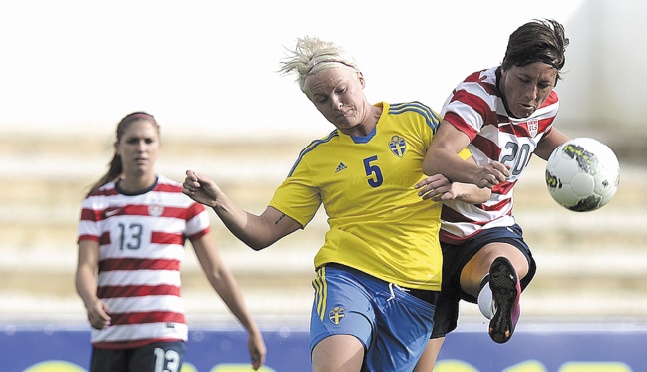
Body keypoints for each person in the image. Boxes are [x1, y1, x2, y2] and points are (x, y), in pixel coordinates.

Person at [181, 37, 489, 372]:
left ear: (360, 78)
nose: (336, 104)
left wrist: (457, 188)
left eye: (341, 90)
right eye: (322, 99)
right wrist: (220, 202)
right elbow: (263, 232)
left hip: (416, 284)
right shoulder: (317, 158)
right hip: (349, 277)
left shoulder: (416, 119)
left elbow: (482, 189)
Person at [414, 19, 571, 370]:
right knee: (418, 366)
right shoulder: (476, 96)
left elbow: (540, 135)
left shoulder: (546, 105)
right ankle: (493, 291)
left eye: (544, 84)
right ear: (505, 66)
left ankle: (498, 295)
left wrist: (580, 158)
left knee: (508, 260)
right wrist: (476, 173)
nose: (532, 96)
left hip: (491, 227)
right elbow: (436, 157)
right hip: (434, 236)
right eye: (524, 81)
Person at [75, 112, 266, 372]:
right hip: (110, 335)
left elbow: (216, 271)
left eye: (148, 141)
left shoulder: (183, 199)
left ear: (159, 147)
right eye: (132, 141)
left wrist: (250, 327)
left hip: (162, 331)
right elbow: (86, 266)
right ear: (117, 147)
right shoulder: (97, 202)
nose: (141, 148)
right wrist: (90, 302)